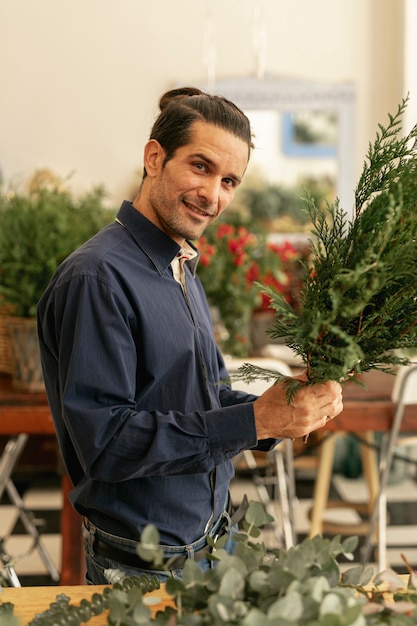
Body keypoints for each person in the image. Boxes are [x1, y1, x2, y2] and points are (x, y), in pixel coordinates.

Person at [37, 86, 343, 584]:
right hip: (142, 563)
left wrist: (277, 410)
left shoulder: (181, 264)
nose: (213, 195)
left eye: (229, 181)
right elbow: (108, 443)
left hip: (208, 540)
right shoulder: (96, 278)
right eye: (200, 167)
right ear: (154, 157)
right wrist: (252, 421)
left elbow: (199, 395)